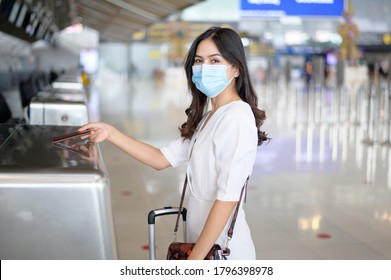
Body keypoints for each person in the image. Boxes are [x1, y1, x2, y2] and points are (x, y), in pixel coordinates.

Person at [79, 27, 268, 260]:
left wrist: (193, 262)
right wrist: (111, 133)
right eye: (199, 61)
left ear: (236, 68)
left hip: (222, 252)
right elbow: (161, 159)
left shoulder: (237, 117)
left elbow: (228, 198)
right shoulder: (210, 117)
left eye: (214, 60)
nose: (204, 68)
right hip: (200, 245)